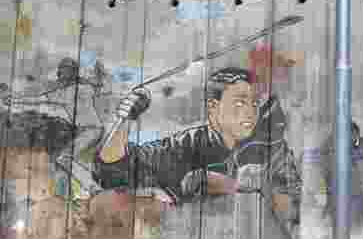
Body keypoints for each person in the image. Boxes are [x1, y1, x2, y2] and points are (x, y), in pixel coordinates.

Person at [93, 67, 301, 221]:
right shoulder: (188, 145)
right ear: (213, 108)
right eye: (240, 103)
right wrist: (126, 118)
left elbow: (295, 208)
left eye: (254, 104)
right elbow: (112, 169)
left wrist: (229, 186)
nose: (250, 112)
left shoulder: (272, 149)